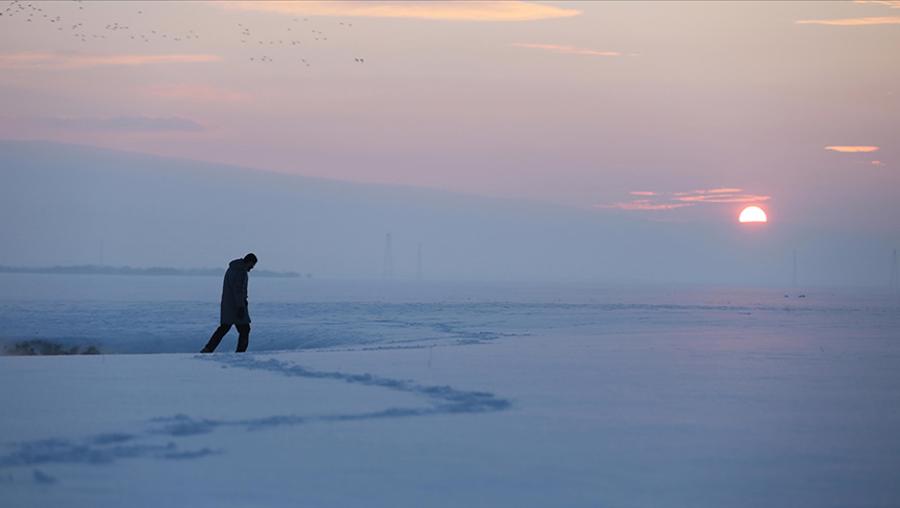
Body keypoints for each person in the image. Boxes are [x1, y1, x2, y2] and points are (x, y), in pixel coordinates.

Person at [201, 253, 257, 353]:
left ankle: (208, 349)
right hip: (236, 307)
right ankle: (240, 353)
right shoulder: (241, 272)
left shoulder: (232, 269)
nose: (252, 268)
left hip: (228, 305)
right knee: (245, 330)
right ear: (249, 262)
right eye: (252, 265)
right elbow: (238, 291)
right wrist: (241, 306)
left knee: (223, 328)